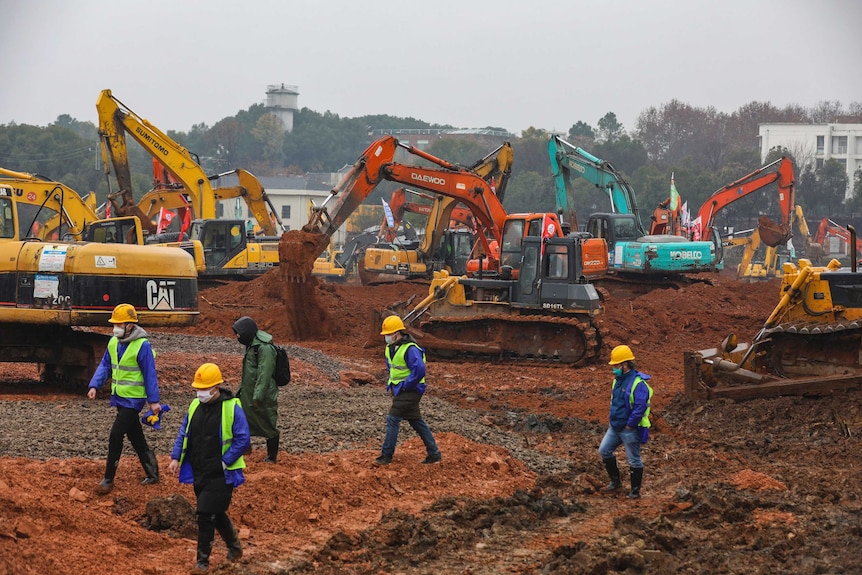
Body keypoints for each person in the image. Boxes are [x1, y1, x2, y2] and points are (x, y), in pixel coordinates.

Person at [168, 363, 250, 574]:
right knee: (215, 512)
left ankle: (202, 563)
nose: (200, 393)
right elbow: (183, 432)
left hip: (222, 473)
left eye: (204, 389)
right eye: (198, 389)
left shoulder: (232, 407)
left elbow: (243, 439)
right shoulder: (195, 405)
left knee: (205, 514)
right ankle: (234, 547)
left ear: (216, 387)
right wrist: (176, 457)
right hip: (200, 470)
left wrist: (225, 461)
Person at [87, 303, 161, 494]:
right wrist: (95, 385)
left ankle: (108, 479)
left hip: (134, 400)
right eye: (115, 324)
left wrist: (154, 401)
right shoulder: (113, 343)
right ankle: (153, 473)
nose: (115, 328)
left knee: (116, 434)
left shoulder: (142, 345)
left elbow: (149, 374)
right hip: (120, 398)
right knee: (135, 435)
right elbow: (105, 365)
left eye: (119, 324)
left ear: (130, 325)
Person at [374, 315, 441, 466]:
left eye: (389, 334)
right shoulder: (390, 347)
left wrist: (405, 385)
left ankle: (386, 456)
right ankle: (434, 453)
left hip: (410, 390)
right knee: (416, 421)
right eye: (385, 335)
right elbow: (392, 367)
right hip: (400, 389)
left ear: (398, 333)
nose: (386, 337)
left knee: (393, 419)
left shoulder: (410, 348)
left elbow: (419, 370)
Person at [598, 345, 653, 499]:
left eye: (616, 366)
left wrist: (630, 424)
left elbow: (640, 406)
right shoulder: (617, 381)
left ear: (625, 365)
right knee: (604, 450)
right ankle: (615, 482)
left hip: (629, 429)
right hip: (615, 426)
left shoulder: (638, 383)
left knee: (634, 460)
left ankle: (635, 492)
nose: (614, 369)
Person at [232, 316, 280, 463]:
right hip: (248, 392)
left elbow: (264, 374)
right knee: (240, 419)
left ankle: (272, 456)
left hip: (262, 395)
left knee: (267, 423)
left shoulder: (264, 348)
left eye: (239, 333)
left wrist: (258, 396)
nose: (237, 337)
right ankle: (245, 447)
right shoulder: (251, 344)